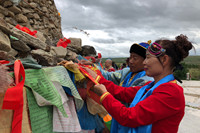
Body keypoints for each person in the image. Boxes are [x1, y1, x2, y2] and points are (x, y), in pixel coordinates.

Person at [84, 34, 193, 133]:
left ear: (164, 60)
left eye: (148, 58)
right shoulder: (151, 87)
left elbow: (129, 117)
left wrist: (104, 95)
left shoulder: (170, 92)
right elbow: (123, 93)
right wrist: (97, 78)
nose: (144, 62)